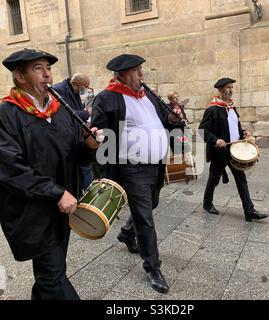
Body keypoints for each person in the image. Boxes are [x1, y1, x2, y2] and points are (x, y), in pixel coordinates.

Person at [0, 48, 103, 300]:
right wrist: (56, 193)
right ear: (20, 77)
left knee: (51, 270)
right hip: (34, 210)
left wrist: (88, 145)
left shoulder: (59, 109)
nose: (47, 75)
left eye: (48, 68)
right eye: (38, 69)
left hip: (63, 206)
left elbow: (74, 153)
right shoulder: (7, 113)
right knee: (52, 276)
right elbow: (12, 170)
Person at [91, 54, 183, 294]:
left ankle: (125, 234)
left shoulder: (148, 95)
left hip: (156, 164)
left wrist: (173, 120)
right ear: (121, 75)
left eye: (141, 70)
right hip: (131, 167)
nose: (141, 75)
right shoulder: (108, 97)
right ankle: (153, 267)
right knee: (145, 217)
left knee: (151, 204)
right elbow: (99, 135)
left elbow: (165, 121)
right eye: (136, 71)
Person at [198, 77, 269, 222]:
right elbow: (202, 131)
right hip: (220, 153)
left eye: (232, 87)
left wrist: (243, 133)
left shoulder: (232, 108)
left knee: (241, 179)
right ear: (220, 90)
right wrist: (216, 140)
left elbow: (235, 127)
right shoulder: (213, 109)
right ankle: (207, 203)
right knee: (213, 179)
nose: (231, 90)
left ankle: (249, 211)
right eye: (228, 87)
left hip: (235, 151)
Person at [53, 73, 94, 191]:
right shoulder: (59, 90)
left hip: (78, 137)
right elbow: (66, 115)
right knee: (83, 170)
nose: (86, 90)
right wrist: (87, 113)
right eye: (86, 87)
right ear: (79, 85)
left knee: (85, 168)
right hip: (69, 140)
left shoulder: (72, 90)